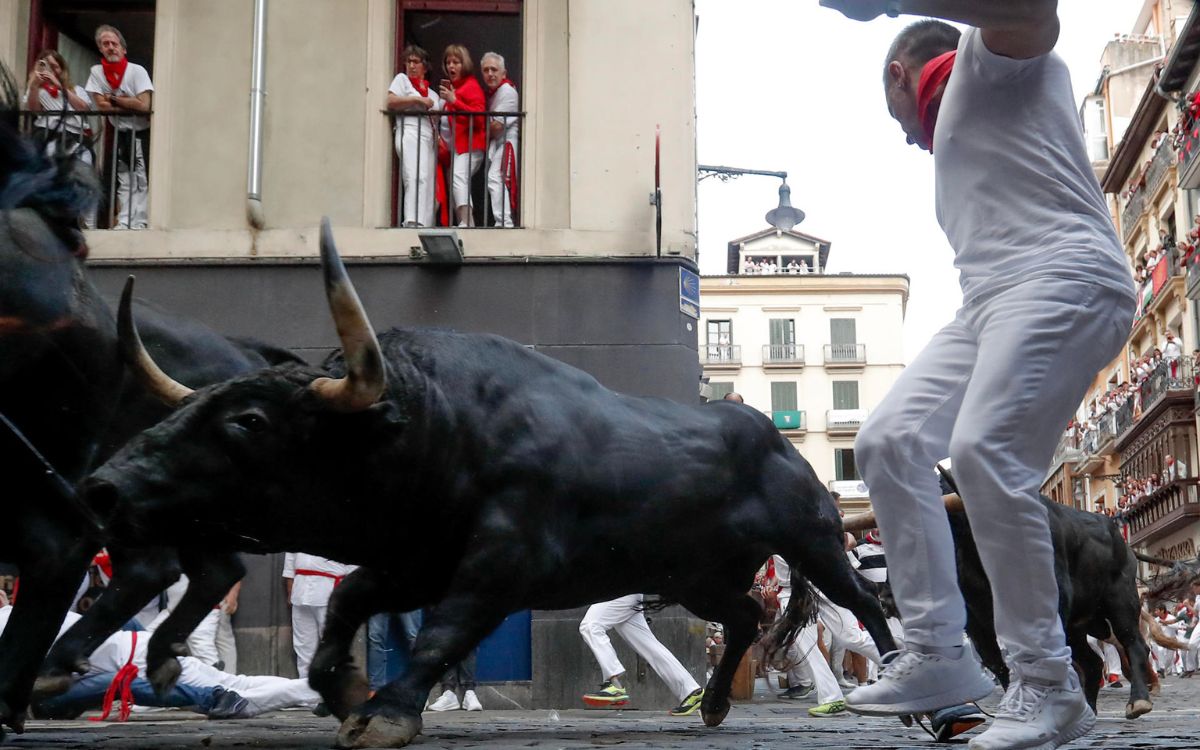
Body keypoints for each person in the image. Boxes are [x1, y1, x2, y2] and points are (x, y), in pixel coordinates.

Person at [824, 3, 1137, 749]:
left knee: (985, 452)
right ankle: (938, 655)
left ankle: (1050, 684)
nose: (905, 137)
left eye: (893, 114)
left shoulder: (987, 64)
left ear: (899, 75)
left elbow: (1031, 10)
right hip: (989, 302)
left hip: (1069, 276)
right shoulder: (963, 120)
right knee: (890, 440)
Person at [578, 594, 705, 716]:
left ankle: (614, 684)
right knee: (649, 646)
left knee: (590, 626)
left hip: (620, 591)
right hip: (628, 593)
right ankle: (691, 691)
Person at [85, 24, 153, 229]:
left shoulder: (136, 71)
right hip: (120, 132)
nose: (110, 47)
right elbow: (102, 107)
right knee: (124, 179)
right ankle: (124, 220)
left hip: (140, 132)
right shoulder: (97, 73)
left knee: (141, 179)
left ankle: (139, 221)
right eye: (105, 44)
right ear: (100, 49)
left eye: (114, 44)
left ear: (123, 49)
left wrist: (113, 99)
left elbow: (144, 105)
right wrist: (126, 102)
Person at [388, 45, 442, 228]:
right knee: (413, 175)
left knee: (427, 180)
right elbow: (391, 101)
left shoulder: (432, 93)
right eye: (408, 61)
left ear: (424, 67)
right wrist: (417, 100)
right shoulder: (402, 80)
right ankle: (412, 220)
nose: (411, 65)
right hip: (410, 130)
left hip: (428, 136)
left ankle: (425, 223)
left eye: (416, 62)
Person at [282, 553, 356, 678]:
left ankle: (333, 690)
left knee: (332, 645)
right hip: (300, 591)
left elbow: (354, 570)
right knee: (303, 646)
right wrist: (290, 590)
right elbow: (290, 560)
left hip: (330, 591)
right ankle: (305, 687)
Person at [439, 44, 487, 228]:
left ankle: (467, 222)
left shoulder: (471, 86)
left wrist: (454, 101)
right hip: (459, 146)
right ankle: (465, 221)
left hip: (472, 144)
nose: (451, 66)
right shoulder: (456, 88)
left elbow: (480, 118)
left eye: (456, 62)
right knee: (455, 180)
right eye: (448, 62)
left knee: (459, 176)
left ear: (464, 64)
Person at [481, 52, 519, 228]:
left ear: (504, 73)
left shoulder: (507, 91)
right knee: (495, 179)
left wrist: (476, 133)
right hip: (497, 144)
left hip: (506, 143)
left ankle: (504, 222)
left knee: (495, 177)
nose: (490, 73)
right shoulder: (493, 94)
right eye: (486, 70)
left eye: (494, 69)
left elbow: (497, 127)